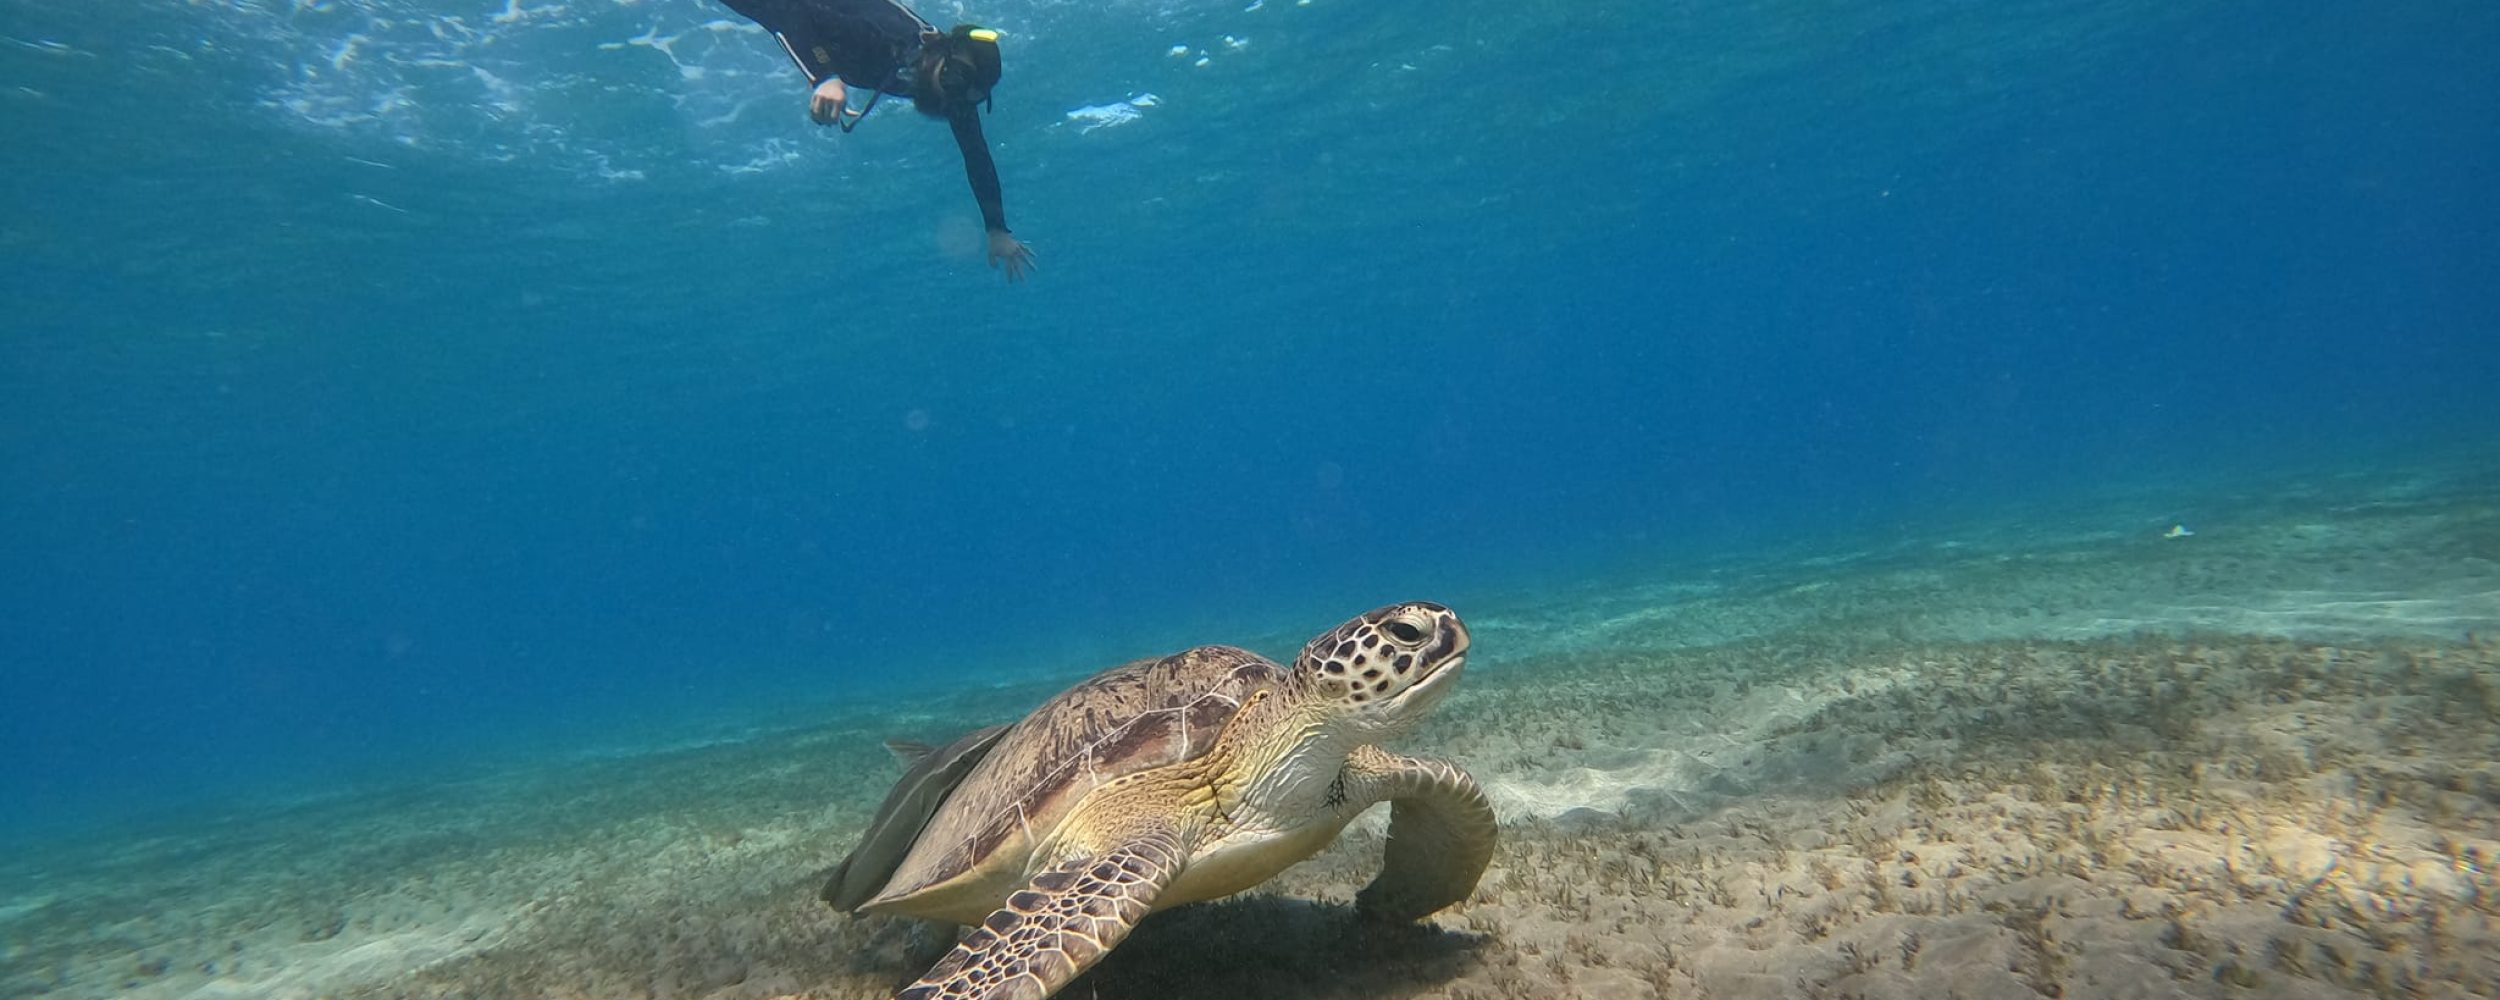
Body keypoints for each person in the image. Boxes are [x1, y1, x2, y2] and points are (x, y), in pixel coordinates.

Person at [719, 0, 1039, 282]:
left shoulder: (942, 84)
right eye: (952, 81)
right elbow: (792, 11)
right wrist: (824, 77)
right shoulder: (884, 41)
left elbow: (976, 153)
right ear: (940, 47)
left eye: (962, 97)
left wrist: (996, 229)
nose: (949, 100)